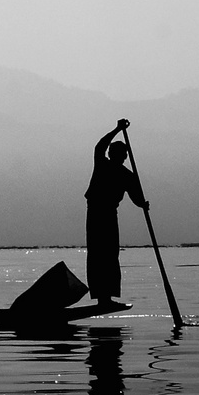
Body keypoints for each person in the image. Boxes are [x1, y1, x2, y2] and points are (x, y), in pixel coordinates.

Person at [85, 119, 148, 307]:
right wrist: (117, 130)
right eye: (116, 152)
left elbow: (136, 197)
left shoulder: (127, 175)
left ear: (124, 156)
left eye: (121, 154)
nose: (119, 156)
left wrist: (143, 204)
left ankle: (107, 297)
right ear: (112, 154)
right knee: (97, 254)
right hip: (96, 213)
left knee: (110, 254)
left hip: (110, 215)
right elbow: (99, 147)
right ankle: (102, 298)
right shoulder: (102, 164)